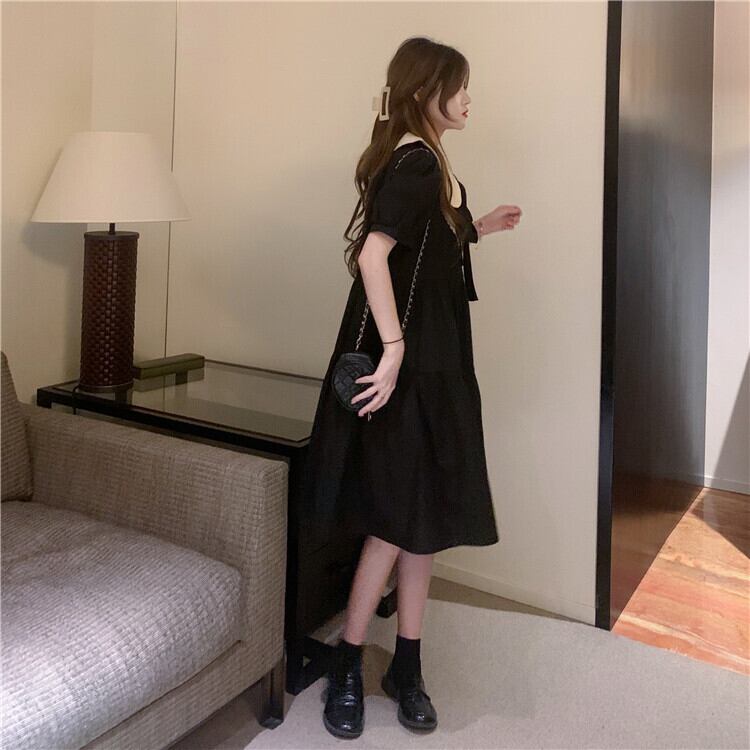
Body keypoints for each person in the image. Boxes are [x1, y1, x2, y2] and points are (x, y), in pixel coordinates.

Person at [301, 36, 522, 739]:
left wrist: (477, 228)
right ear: (426, 91)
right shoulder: (418, 160)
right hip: (417, 364)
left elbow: (423, 251)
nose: (468, 99)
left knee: (420, 520)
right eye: (459, 86)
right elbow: (374, 257)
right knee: (397, 522)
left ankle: (408, 666)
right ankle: (347, 662)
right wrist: (393, 350)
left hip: (437, 363)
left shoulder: (424, 157)